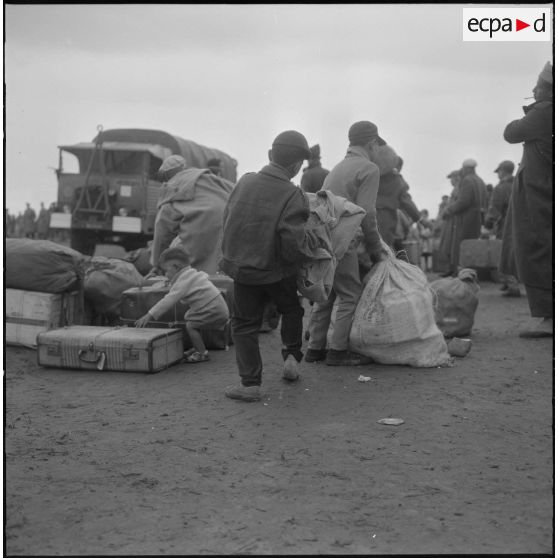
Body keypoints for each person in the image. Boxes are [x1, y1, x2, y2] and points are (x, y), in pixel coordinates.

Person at [221, 130, 322, 402]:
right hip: (277, 271)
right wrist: (311, 250)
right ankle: (291, 355)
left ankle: (250, 384)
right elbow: (292, 241)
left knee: (243, 324)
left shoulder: (244, 182)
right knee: (291, 309)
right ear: (297, 166)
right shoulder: (293, 194)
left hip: (242, 268)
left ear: (269, 155)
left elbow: (228, 219)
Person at [305, 120, 388, 366]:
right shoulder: (369, 169)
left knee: (327, 292)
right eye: (377, 146)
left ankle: (314, 349)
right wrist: (377, 250)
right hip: (345, 238)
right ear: (372, 143)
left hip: (324, 237)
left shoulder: (337, 168)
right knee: (350, 294)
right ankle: (338, 352)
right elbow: (367, 214)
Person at [500, 61, 553, 338]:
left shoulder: (545, 112)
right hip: (544, 191)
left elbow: (511, 132)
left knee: (537, 249)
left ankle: (549, 318)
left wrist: (536, 108)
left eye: (539, 86)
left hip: (539, 195)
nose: (533, 89)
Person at [135, 247, 229, 363]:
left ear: (176, 268)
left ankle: (202, 353)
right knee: (191, 319)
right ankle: (198, 347)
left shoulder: (184, 282)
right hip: (218, 306)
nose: (165, 274)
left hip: (213, 308)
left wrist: (150, 314)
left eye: (166, 271)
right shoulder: (190, 275)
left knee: (191, 325)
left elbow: (168, 300)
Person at [150, 154, 234, 275]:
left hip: (199, 232)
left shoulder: (171, 189)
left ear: (166, 175)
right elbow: (235, 190)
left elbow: (163, 230)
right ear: (184, 167)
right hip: (229, 224)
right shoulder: (209, 177)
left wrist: (157, 264)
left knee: (191, 270)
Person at [440, 159, 486, 277]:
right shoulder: (480, 181)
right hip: (477, 219)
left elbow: (463, 202)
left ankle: (463, 275)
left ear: (466, 169)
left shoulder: (467, 180)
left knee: (461, 247)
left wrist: (448, 210)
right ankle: (472, 273)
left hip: (465, 219)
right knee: (472, 247)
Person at [485, 160, 520, 297]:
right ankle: (508, 282)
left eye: (498, 171)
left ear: (502, 171)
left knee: (505, 253)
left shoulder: (501, 187)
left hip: (506, 224)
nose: (498, 174)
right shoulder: (519, 183)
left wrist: (488, 224)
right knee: (516, 253)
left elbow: (494, 208)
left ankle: (512, 285)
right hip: (522, 223)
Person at [375, 154, 421, 251]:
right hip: (386, 222)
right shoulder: (397, 180)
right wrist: (417, 216)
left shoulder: (374, 175)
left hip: (368, 218)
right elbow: (407, 202)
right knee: (383, 254)